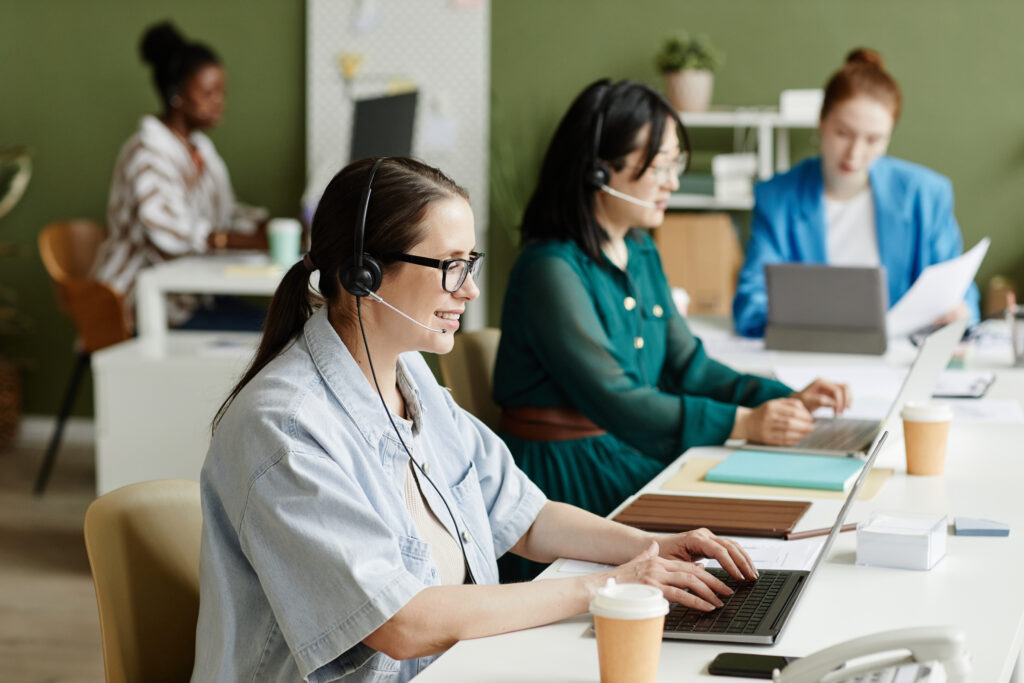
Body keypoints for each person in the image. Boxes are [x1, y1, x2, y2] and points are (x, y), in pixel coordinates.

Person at [191, 156, 760, 683]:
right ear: (364, 275)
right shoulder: (284, 427)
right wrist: (611, 584)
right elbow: (401, 622)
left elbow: (527, 518)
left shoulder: (415, 383)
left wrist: (653, 549)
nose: (471, 289)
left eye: (471, 263)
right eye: (450, 267)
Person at [491, 79, 849, 525]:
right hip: (566, 479)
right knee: (732, 524)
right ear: (599, 172)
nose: (673, 182)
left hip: (626, 449)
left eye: (674, 164)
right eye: (660, 167)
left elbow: (688, 365)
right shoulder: (550, 269)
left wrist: (785, 399)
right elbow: (614, 397)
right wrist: (742, 423)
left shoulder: (640, 250)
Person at [733, 48, 980, 338]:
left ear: (888, 139)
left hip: (899, 359)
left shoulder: (925, 195)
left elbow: (962, 295)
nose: (855, 153)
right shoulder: (777, 198)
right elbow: (750, 306)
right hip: (811, 357)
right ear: (821, 122)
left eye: (873, 139)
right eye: (843, 133)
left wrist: (958, 314)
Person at [93, 21, 268, 330]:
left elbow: (224, 212)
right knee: (269, 335)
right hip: (142, 302)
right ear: (177, 94)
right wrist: (249, 240)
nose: (219, 102)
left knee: (280, 324)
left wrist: (265, 225)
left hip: (189, 297)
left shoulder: (200, 149)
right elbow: (170, 234)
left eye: (221, 92)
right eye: (208, 93)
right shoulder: (146, 153)